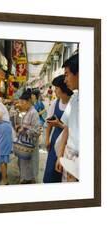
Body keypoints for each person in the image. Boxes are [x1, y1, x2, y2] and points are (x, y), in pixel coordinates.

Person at [43, 75, 73, 183]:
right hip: (55, 139)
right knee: (51, 169)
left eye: (56, 88)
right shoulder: (55, 103)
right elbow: (49, 124)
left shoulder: (73, 104)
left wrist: (59, 125)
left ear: (63, 89)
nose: (54, 90)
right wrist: (47, 140)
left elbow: (72, 128)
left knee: (63, 171)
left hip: (68, 143)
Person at [55, 53, 79, 182]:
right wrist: (60, 156)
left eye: (67, 74)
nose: (65, 80)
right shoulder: (75, 98)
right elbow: (67, 129)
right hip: (68, 155)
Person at [16, 90, 40, 184]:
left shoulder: (34, 113)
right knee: (23, 163)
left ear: (29, 101)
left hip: (31, 144)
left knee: (31, 163)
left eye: (22, 102)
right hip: (24, 144)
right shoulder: (26, 111)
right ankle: (25, 178)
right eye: (20, 102)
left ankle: (30, 180)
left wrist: (25, 130)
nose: (21, 104)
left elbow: (37, 131)